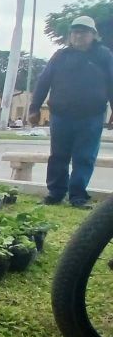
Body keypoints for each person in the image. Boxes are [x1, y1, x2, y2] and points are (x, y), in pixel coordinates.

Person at [29, 16, 113, 209]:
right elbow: (43, 82)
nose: (78, 35)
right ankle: (56, 193)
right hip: (61, 116)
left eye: (83, 32)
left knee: (84, 157)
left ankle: (78, 196)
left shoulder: (104, 56)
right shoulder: (60, 56)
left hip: (91, 116)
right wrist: (34, 108)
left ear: (93, 35)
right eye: (75, 32)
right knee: (58, 155)